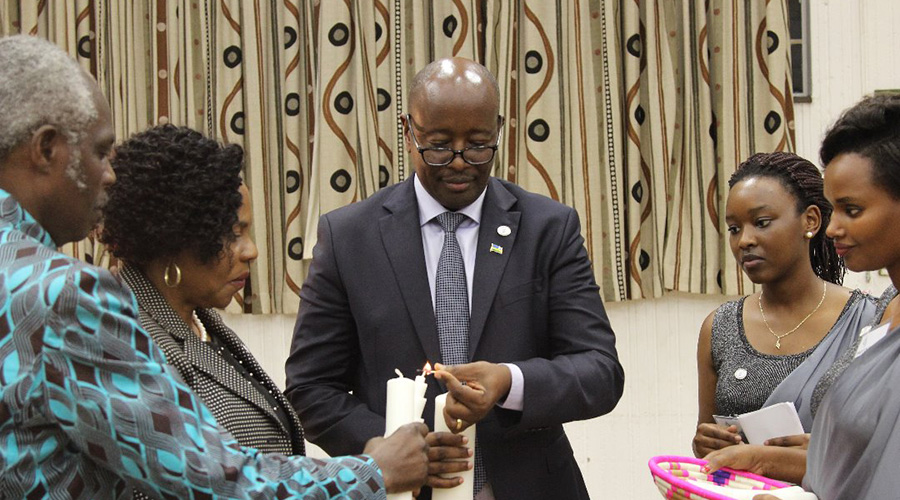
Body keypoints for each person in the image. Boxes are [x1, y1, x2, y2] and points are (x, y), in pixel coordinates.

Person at [0, 34, 429, 499]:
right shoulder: (65, 294)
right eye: (101, 152)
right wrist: (370, 474)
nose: (110, 174)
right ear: (45, 150)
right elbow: (209, 479)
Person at [285, 57, 624, 500]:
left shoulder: (548, 228)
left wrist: (509, 381)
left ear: (499, 129)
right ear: (409, 132)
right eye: (440, 145)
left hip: (530, 486)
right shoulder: (349, 237)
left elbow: (599, 371)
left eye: (479, 144)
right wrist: (387, 446)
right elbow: (310, 388)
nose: (460, 163)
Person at [100, 125, 304, 460]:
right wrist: (366, 473)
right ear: (172, 240)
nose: (250, 251)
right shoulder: (132, 342)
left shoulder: (200, 323)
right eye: (233, 234)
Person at [741, 93, 900, 500]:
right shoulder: (889, 312)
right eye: (834, 209)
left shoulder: (865, 312)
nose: (832, 228)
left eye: (853, 209)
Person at [692, 152, 876, 458]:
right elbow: (707, 445)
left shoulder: (867, 321)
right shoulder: (720, 327)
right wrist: (704, 444)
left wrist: (820, 455)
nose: (744, 241)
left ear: (811, 221)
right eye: (734, 228)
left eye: (761, 222)